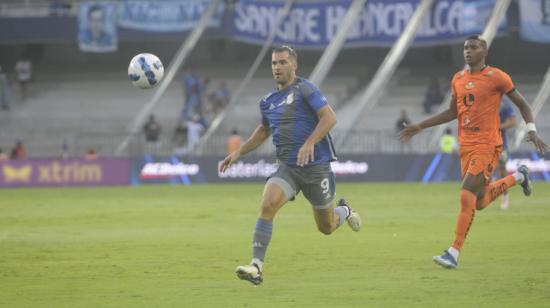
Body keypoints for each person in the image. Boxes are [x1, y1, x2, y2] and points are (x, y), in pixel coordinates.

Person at [399, 35, 548, 269]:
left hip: (488, 144)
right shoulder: (458, 79)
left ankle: (453, 252)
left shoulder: (497, 76)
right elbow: (451, 112)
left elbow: (523, 104)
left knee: (466, 192)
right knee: (478, 202)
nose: (468, 51)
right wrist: (421, 125)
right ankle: (519, 177)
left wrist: (531, 130)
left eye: (473, 47)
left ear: (484, 51)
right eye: (465, 48)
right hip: (466, 146)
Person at [219, 45, 361, 285]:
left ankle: (344, 210)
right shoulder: (267, 101)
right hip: (288, 168)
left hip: (316, 168)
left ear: (293, 65)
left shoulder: (305, 88)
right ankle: (256, 266)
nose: (277, 67)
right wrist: (238, 152)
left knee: (326, 227)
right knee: (267, 205)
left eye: (282, 62)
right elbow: (263, 130)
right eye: (274, 63)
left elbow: (330, 117)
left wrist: (309, 143)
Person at [497, 96, 517, 210]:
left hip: (500, 143)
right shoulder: (485, 99)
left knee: (502, 170)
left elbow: (513, 122)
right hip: (485, 142)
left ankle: (505, 197)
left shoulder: (505, 104)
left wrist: (498, 127)